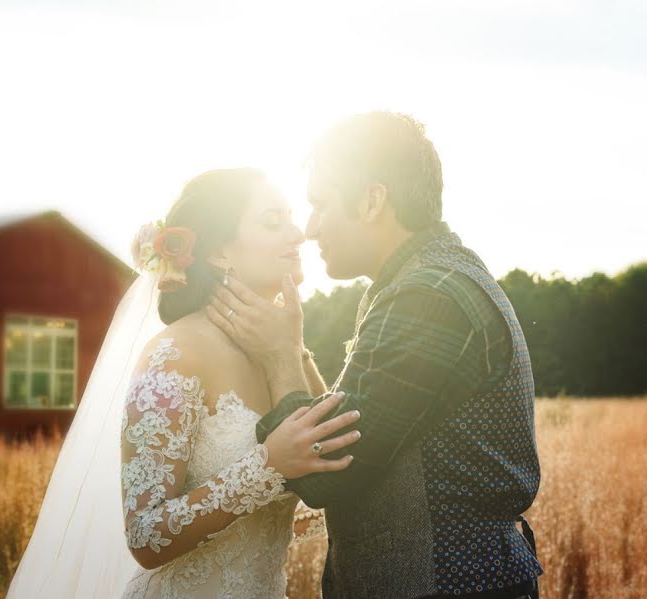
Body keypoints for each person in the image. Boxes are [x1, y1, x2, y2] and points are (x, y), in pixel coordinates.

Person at [208, 112, 543, 599]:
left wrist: (280, 357)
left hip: (446, 584)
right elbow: (362, 421)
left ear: (372, 200)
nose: (310, 228)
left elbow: (328, 469)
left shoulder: (428, 298)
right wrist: (293, 346)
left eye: (320, 205)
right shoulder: (426, 280)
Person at [6, 168, 361, 599]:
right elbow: (144, 533)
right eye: (273, 222)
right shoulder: (174, 355)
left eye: (291, 218)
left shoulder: (284, 355)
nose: (297, 234)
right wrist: (268, 465)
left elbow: (326, 477)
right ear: (219, 253)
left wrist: (291, 349)